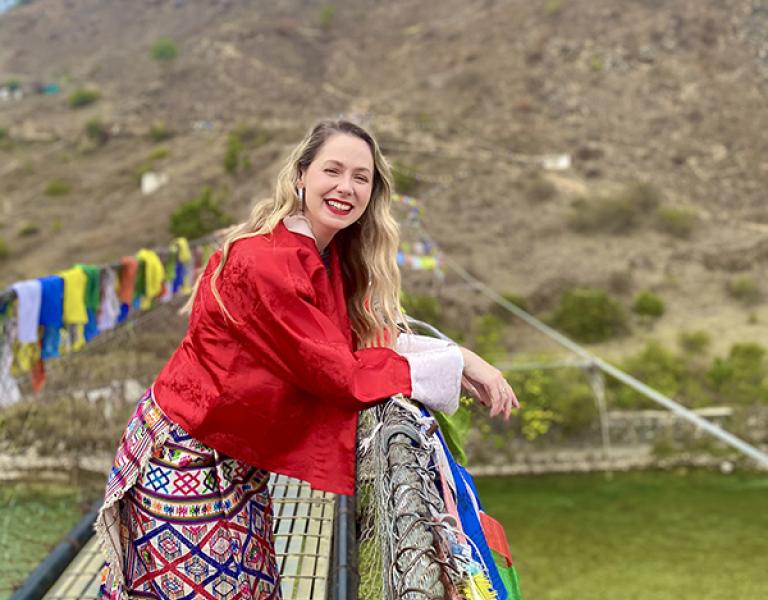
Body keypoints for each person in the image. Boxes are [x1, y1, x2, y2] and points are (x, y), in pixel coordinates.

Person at [95, 119, 519, 599]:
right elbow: (338, 374)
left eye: (361, 177)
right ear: (301, 175)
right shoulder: (268, 262)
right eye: (332, 170)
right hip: (184, 458)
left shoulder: (325, 255)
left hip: (233, 461)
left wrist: (459, 358)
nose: (346, 187)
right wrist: (456, 364)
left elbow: (348, 343)